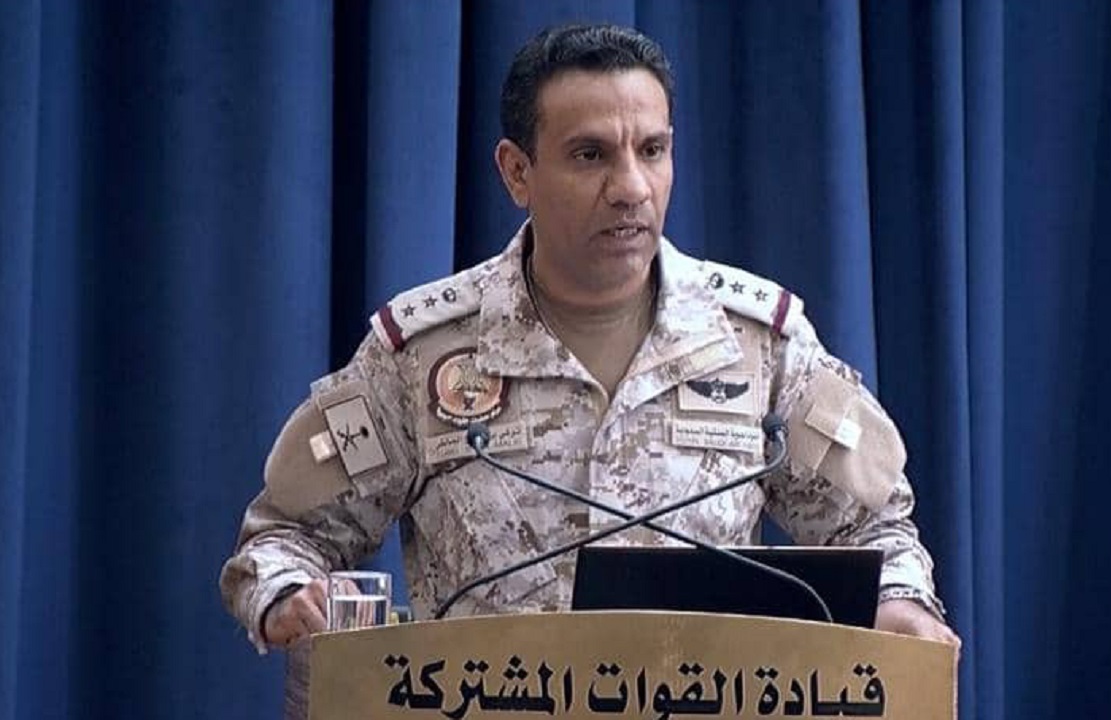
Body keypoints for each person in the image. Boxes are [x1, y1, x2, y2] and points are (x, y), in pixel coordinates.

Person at [220, 23, 959, 655]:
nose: (632, 187)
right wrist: (289, 594)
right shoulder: (423, 355)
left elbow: (874, 528)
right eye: (590, 155)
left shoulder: (759, 343)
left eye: (652, 150)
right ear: (517, 172)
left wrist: (899, 601)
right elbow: (284, 538)